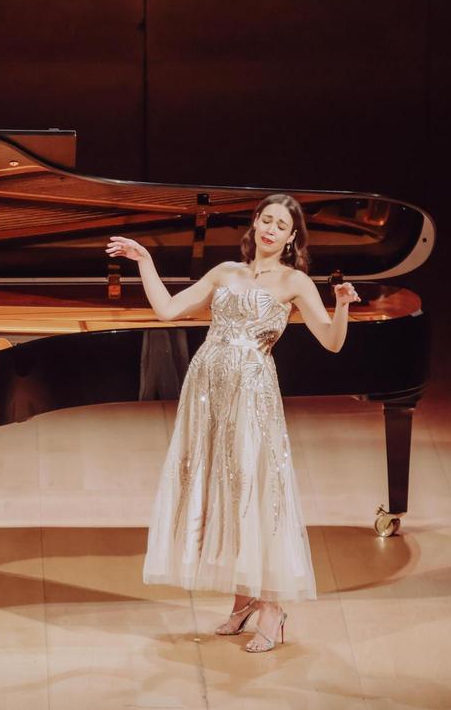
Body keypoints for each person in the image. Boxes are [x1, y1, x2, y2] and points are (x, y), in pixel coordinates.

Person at [106, 194, 360, 652]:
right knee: (218, 486)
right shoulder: (225, 271)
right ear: (255, 223)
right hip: (206, 391)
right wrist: (144, 260)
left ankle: (272, 608)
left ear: (292, 237)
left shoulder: (295, 281)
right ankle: (244, 599)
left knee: (251, 487)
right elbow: (167, 310)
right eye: (266, 220)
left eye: (281, 225)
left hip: (251, 394)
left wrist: (341, 305)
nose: (271, 230)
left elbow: (332, 342)